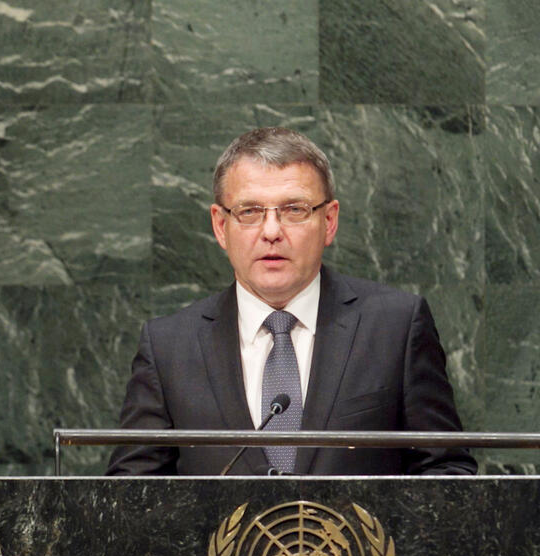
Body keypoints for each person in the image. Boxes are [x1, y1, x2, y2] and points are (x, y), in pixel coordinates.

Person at [106, 127, 476, 476]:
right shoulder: (169, 347)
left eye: (294, 210)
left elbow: (446, 474)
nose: (271, 232)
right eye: (250, 212)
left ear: (329, 221)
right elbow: (131, 493)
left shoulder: (396, 326)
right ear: (220, 226)